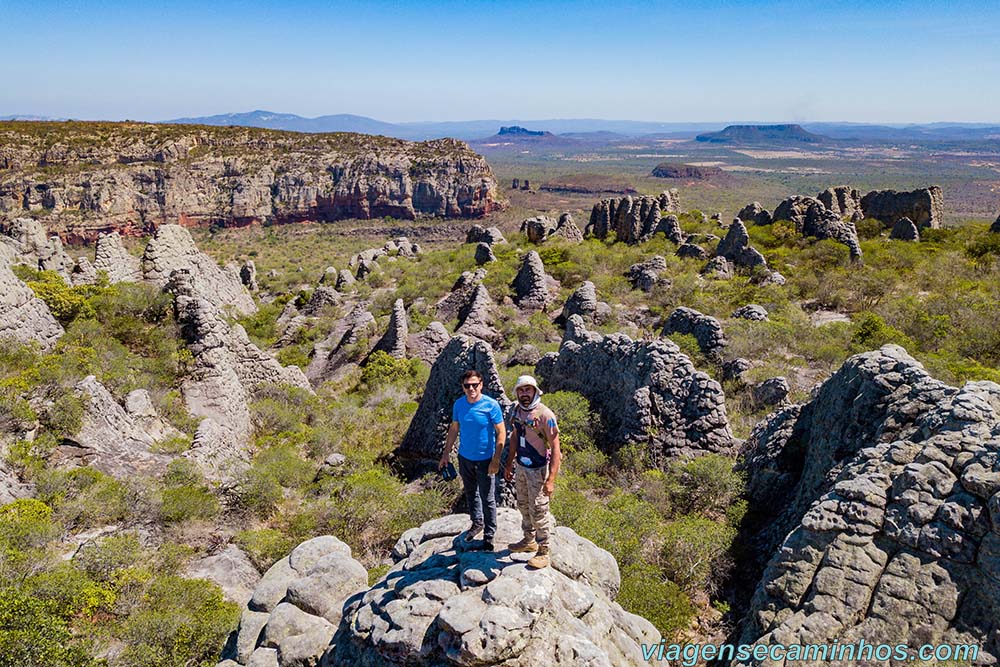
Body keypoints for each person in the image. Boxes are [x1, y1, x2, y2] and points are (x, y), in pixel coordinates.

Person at [439, 369, 506, 550]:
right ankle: (477, 522)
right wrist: (446, 454)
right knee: (471, 493)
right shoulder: (459, 405)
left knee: (488, 497)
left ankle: (489, 535)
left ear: (481, 385)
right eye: (467, 386)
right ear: (463, 387)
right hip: (465, 457)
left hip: (486, 459)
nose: (471, 389)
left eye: (474, 385)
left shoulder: (491, 405)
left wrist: (496, 459)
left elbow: (501, 432)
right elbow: (454, 429)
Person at [504, 375, 561, 569]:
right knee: (523, 504)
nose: (524, 394)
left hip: (538, 469)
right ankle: (528, 540)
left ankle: (544, 550)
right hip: (521, 466)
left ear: (535, 391)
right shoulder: (517, 411)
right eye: (521, 390)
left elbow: (556, 449)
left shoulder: (546, 415)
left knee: (539, 509)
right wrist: (509, 463)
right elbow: (514, 437)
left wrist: (551, 480)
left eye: (528, 390)